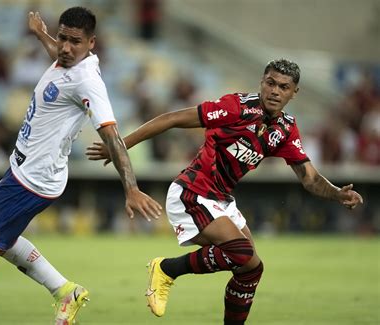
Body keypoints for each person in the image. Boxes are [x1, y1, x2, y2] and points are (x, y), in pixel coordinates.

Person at [86, 58, 364, 324]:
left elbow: (310, 178)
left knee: (251, 269)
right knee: (241, 252)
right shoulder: (236, 107)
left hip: (220, 200)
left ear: (294, 92)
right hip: (191, 193)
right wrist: (119, 145)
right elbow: (171, 118)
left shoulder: (285, 128)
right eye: (270, 83)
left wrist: (338, 193)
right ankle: (166, 269)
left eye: (283, 87)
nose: (275, 91)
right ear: (261, 82)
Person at [0, 7, 162, 325]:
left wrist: (131, 188)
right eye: (62, 38)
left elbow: (113, 136)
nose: (65, 47)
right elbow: (58, 52)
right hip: (23, 169)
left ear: (92, 43)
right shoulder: (67, 57)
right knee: (3, 239)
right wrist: (40, 32)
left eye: (75, 41)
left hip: (33, 180)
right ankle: (65, 291)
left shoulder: (88, 81)